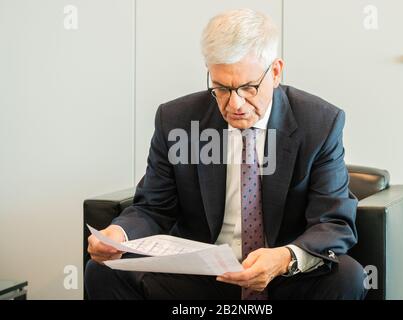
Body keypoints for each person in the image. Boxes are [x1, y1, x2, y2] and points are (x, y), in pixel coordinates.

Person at [85, 8, 367, 300]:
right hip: (204, 275)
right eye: (221, 88)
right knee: (103, 270)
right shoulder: (176, 120)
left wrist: (284, 258)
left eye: (248, 87)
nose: (236, 104)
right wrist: (120, 235)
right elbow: (153, 207)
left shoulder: (319, 122)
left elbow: (333, 222)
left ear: (275, 71)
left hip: (283, 272)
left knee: (346, 276)